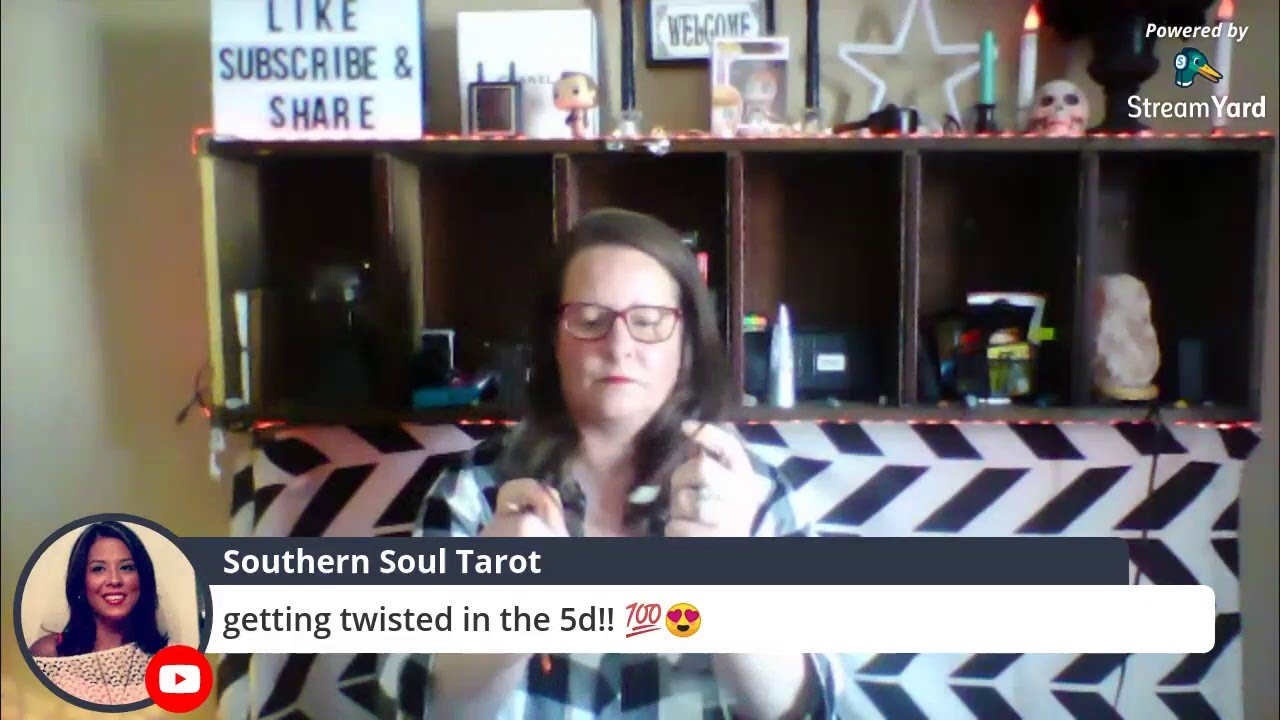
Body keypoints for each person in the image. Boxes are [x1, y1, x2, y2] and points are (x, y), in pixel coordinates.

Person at [401, 209, 853, 719]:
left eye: (649, 321)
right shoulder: (472, 489)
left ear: (686, 343)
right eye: (590, 321)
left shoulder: (753, 491)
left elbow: (812, 709)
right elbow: (420, 705)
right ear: (553, 341)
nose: (619, 347)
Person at [28, 521, 170, 705]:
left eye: (126, 567)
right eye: (98, 569)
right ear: (81, 582)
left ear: (142, 579)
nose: (114, 580)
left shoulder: (172, 661)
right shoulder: (48, 656)